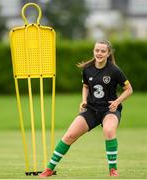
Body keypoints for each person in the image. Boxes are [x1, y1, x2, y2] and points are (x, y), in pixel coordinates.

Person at [39, 40, 133, 178]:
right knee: (69, 135)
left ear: (108, 53)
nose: (99, 53)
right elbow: (85, 86)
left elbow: (129, 89)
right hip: (91, 109)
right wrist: (83, 100)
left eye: (103, 51)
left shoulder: (114, 70)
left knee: (109, 130)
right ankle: (49, 169)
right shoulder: (87, 69)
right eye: (97, 50)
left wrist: (117, 101)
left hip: (109, 110)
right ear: (93, 51)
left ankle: (113, 170)